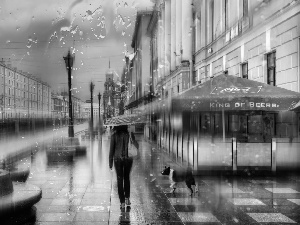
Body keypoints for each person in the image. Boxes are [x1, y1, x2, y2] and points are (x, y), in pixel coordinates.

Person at [109, 125, 139, 209]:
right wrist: (133, 139)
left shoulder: (114, 136)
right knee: (126, 178)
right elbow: (137, 146)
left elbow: (111, 150)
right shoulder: (130, 134)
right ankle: (127, 199)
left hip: (117, 159)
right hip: (128, 159)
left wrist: (110, 163)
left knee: (119, 179)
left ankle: (122, 202)